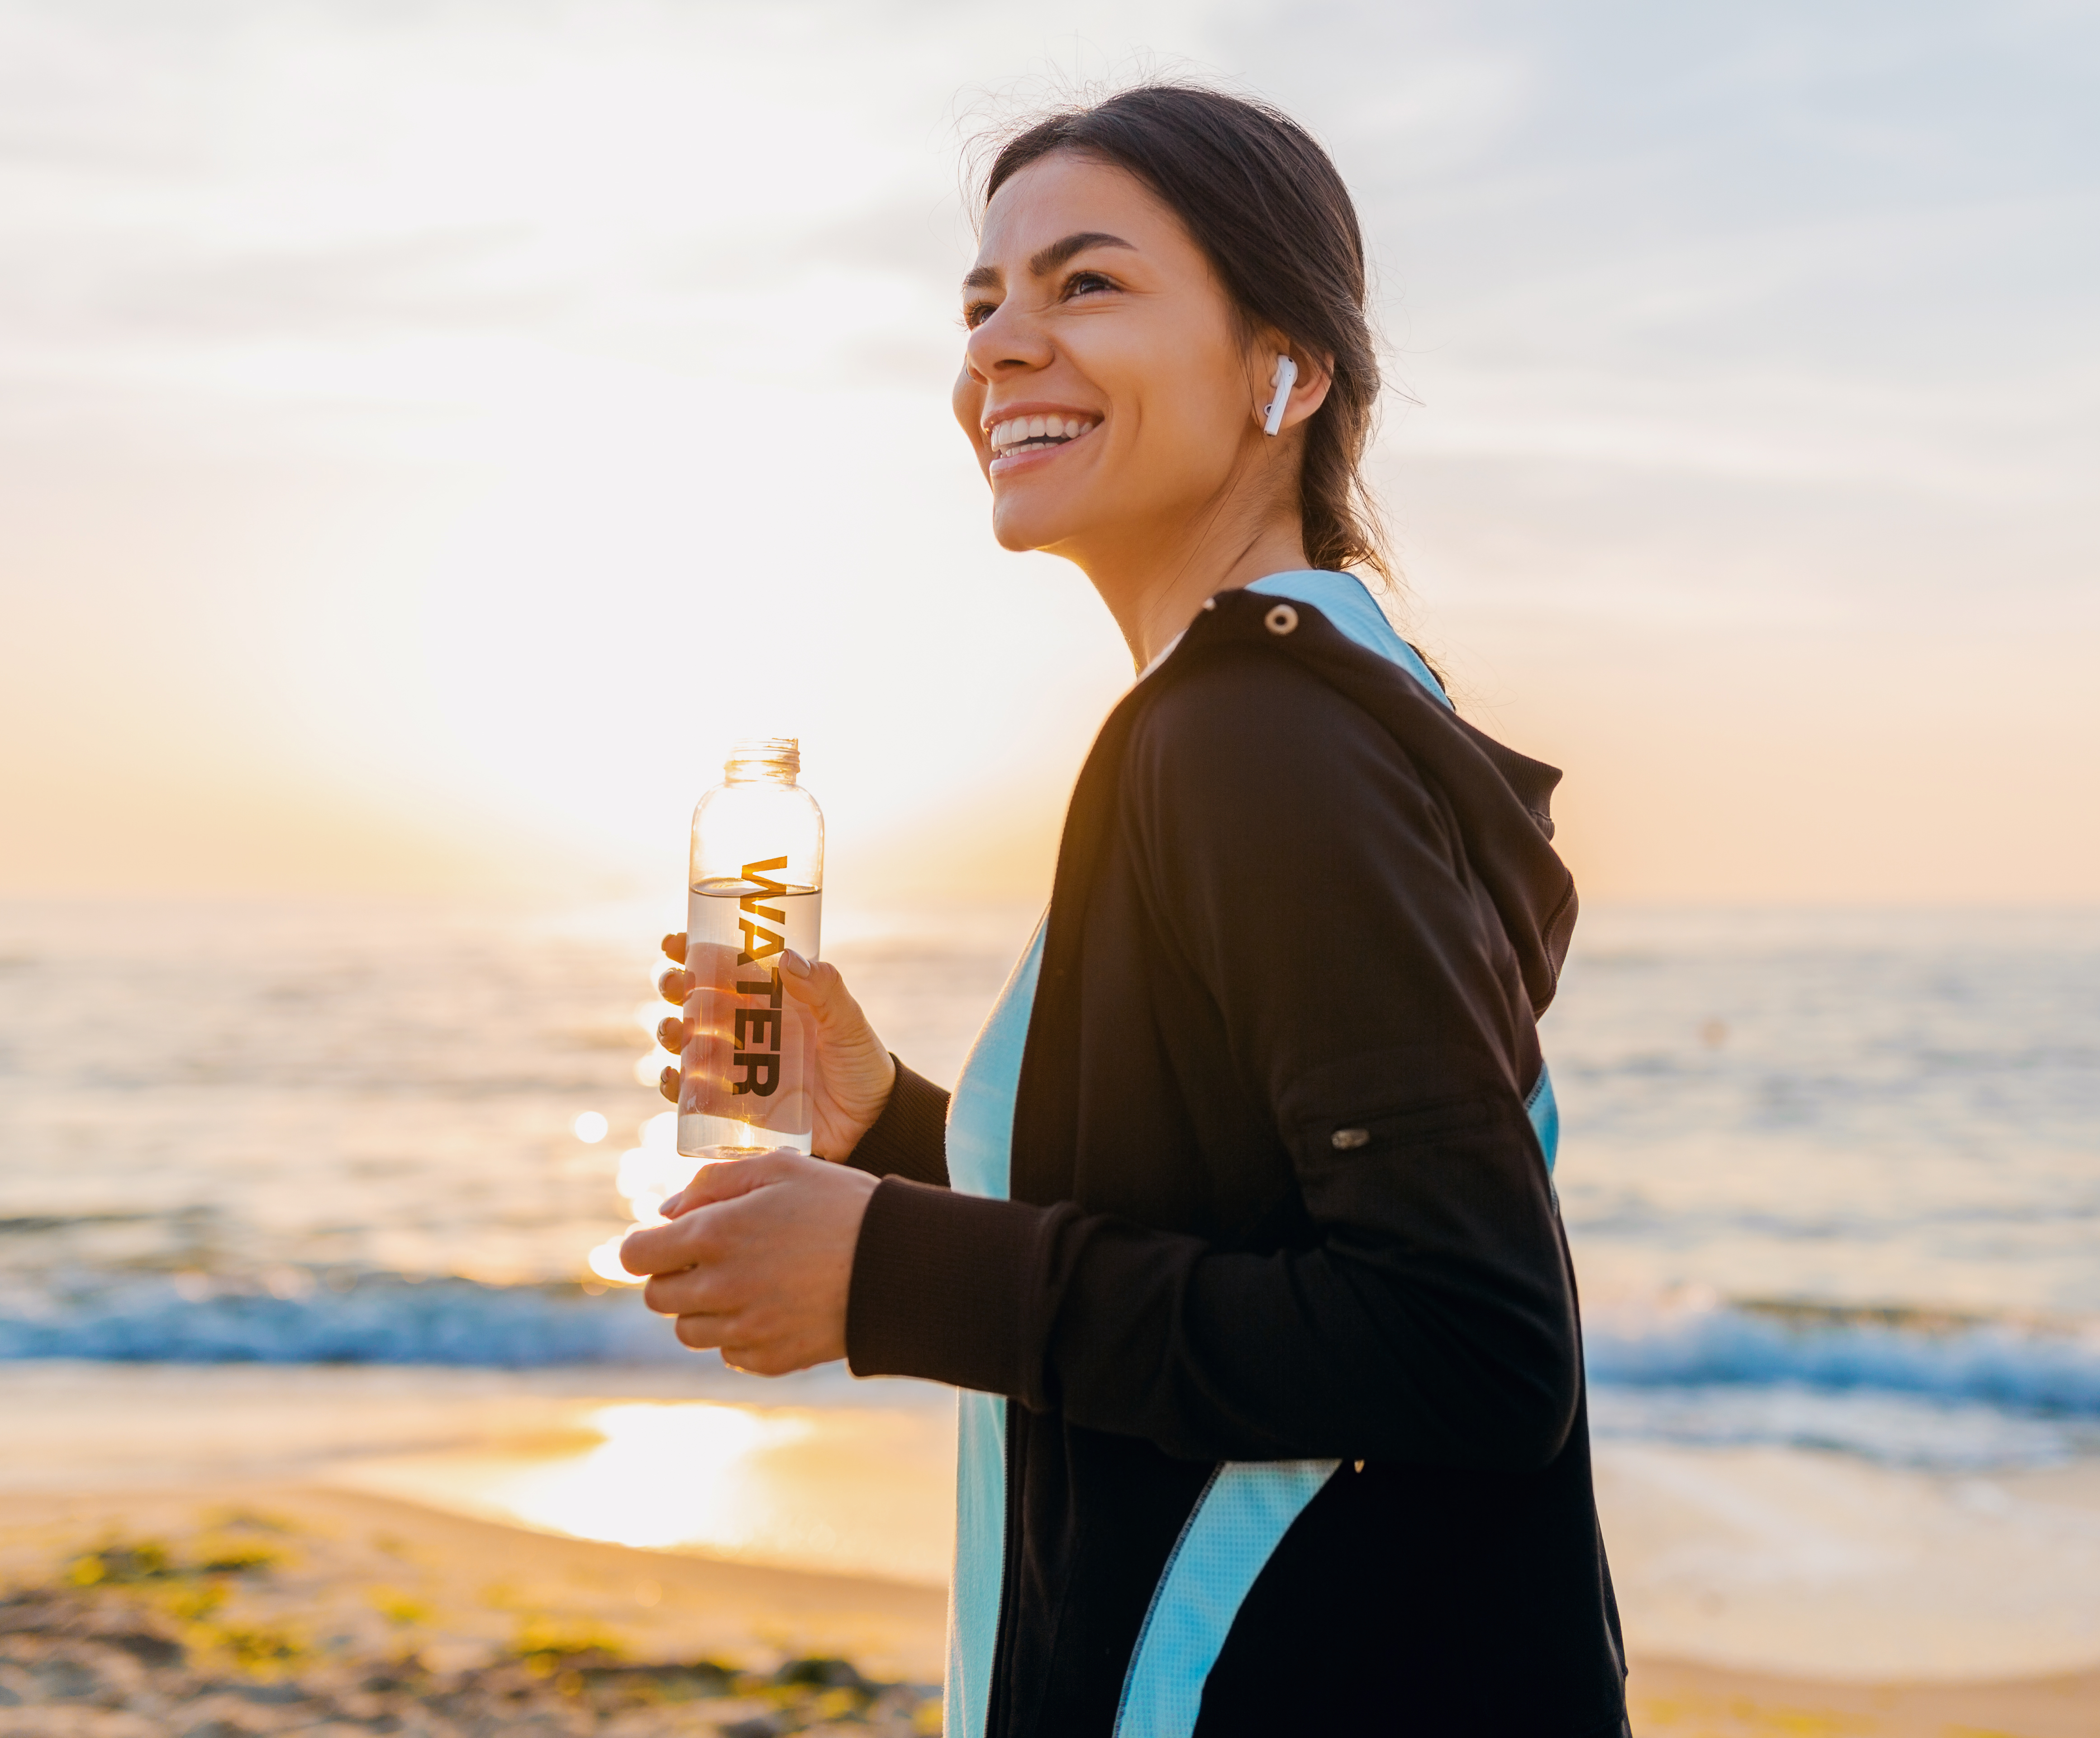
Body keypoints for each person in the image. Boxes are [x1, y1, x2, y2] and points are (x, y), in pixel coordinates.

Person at [622, 83, 1629, 1738]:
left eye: (1086, 284)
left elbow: (1468, 1340)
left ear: (1287, 370)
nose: (1000, 347)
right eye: (981, 302)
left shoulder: (1255, 738)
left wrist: (888, 1273)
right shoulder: (1288, 706)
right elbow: (1228, 1224)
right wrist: (888, 1133)